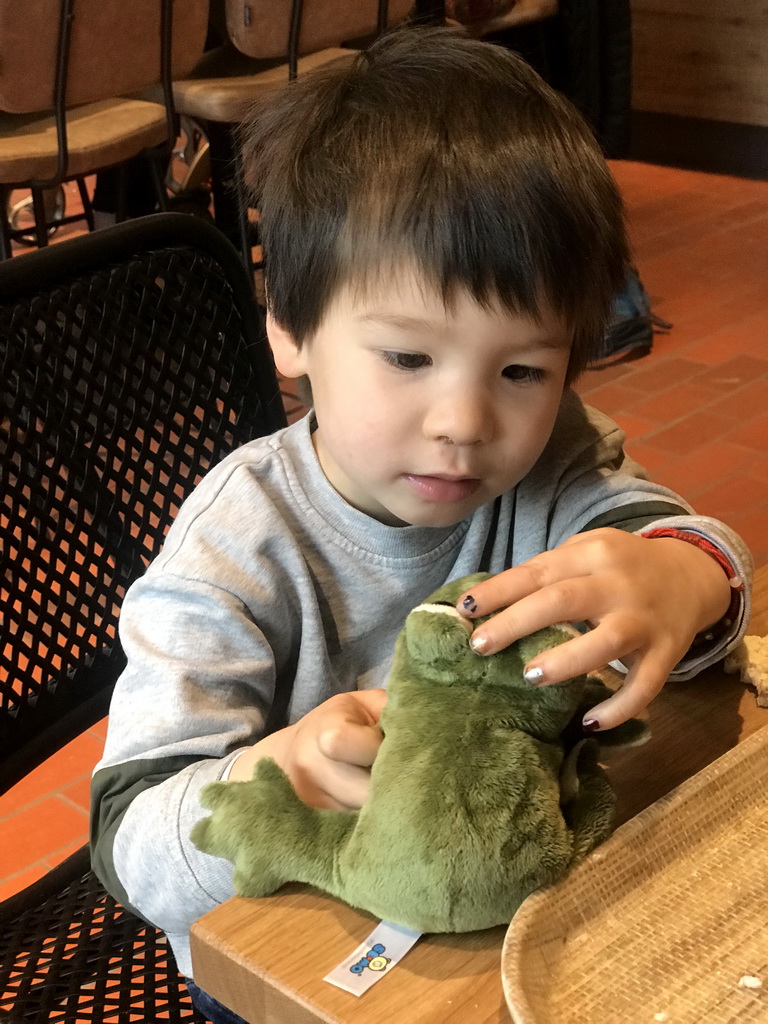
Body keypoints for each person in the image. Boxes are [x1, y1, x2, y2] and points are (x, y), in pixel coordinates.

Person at [90, 27, 752, 1024]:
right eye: (407, 357)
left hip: (513, 899)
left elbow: (665, 546)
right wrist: (276, 773)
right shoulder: (237, 543)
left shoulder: (554, 459)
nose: (465, 423)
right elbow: (130, 841)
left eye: (521, 370)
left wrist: (682, 579)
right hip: (294, 954)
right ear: (292, 328)